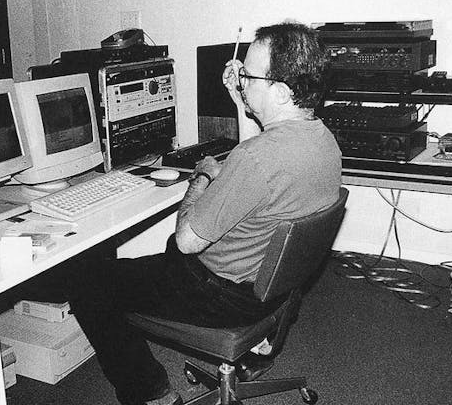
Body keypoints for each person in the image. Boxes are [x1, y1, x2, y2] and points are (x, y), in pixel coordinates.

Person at [67, 21, 342, 405]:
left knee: (88, 281)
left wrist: (203, 178)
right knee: (155, 259)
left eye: (248, 75)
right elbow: (264, 153)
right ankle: (260, 340)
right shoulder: (323, 140)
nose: (240, 79)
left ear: (280, 91)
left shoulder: (256, 159)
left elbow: (187, 241)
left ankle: (150, 395)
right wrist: (239, 96)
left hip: (222, 294)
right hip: (271, 286)